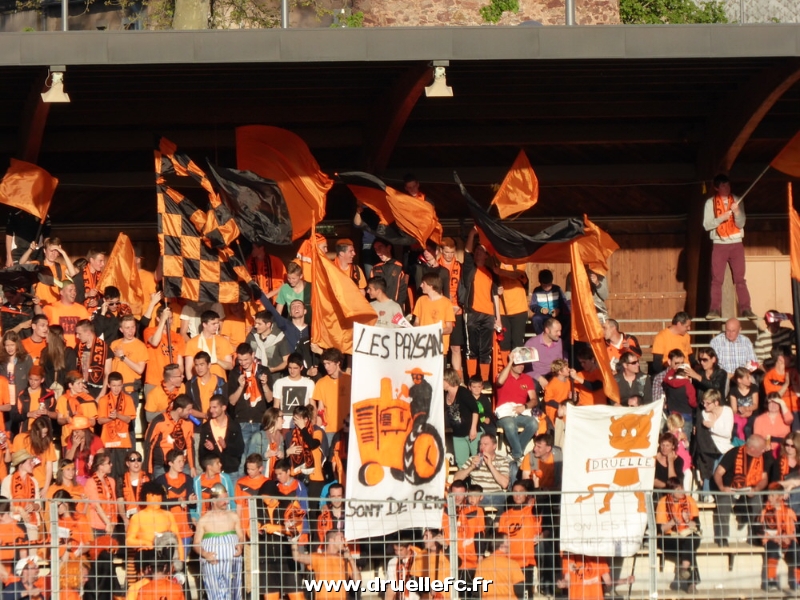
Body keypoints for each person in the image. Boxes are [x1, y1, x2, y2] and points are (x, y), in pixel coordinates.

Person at [703, 173, 755, 320]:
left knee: (740, 279)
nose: (726, 188)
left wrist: (737, 212)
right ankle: (714, 309)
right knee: (716, 279)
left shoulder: (737, 200)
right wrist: (721, 218)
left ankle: (746, 309)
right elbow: (707, 225)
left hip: (736, 242)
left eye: (728, 185)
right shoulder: (710, 203)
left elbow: (741, 223)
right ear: (716, 188)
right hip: (719, 244)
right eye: (723, 185)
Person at [713, 434, 771, 547]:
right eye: (762, 448)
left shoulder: (763, 457)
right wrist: (722, 488)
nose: (764, 450)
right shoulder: (733, 453)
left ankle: (755, 536)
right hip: (731, 489)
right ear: (752, 449)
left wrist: (756, 489)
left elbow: (764, 479)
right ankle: (722, 537)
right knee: (723, 502)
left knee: (757, 501)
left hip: (750, 489)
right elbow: (718, 473)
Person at [194, 483, 244, 600]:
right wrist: (205, 554)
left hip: (232, 560)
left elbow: (241, 536)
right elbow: (196, 543)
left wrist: (240, 545)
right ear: (213, 500)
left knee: (234, 590)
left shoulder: (233, 516)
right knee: (214, 591)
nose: (226, 502)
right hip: (212, 562)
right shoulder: (204, 520)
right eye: (223, 499)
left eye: (227, 498)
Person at [460, 229, 498, 382]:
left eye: (481, 251)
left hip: (488, 315)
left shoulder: (490, 272)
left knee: (485, 350)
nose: (477, 253)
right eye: (476, 251)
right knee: (472, 349)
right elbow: (467, 252)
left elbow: (496, 294)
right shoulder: (470, 268)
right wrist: (471, 234)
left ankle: (483, 381)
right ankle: (472, 380)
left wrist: (498, 317)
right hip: (472, 313)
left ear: (487, 255)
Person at [227, 344, 271, 470]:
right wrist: (241, 386)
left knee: (259, 459)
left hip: (260, 421)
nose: (243, 363)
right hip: (242, 422)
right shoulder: (235, 373)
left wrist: (265, 384)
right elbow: (232, 401)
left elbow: (269, 399)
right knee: (243, 460)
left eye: (246, 359)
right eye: (240, 360)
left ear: (252, 355)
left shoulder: (263, 371)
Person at [655, 478, 701, 593]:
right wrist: (672, 522)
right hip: (669, 538)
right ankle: (692, 583)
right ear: (671, 492)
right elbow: (661, 529)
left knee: (690, 540)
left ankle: (684, 568)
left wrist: (689, 522)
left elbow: (697, 524)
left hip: (686, 535)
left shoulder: (689, 500)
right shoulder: (663, 502)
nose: (682, 491)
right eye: (678, 489)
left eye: (682, 488)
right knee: (690, 549)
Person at [494, 348, 538, 463]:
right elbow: (499, 382)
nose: (521, 366)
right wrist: (509, 362)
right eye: (518, 364)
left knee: (533, 423)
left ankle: (514, 452)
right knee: (509, 425)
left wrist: (524, 406)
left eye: (523, 364)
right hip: (504, 414)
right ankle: (518, 455)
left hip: (520, 411)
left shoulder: (527, 379)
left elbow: (534, 399)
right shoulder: (503, 375)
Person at [497, 480, 541, 597]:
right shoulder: (505, 516)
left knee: (525, 596)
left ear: (527, 494)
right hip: (509, 564)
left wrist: (539, 536)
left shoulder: (532, 511)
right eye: (515, 492)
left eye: (521, 492)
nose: (518, 495)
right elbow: (500, 541)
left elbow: (543, 530)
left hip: (525, 563)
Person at [291, 529, 360, 600]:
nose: (344, 541)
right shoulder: (318, 557)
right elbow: (297, 557)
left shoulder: (344, 559)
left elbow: (358, 581)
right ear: (331, 541)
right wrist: (294, 542)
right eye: (341, 538)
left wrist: (350, 559)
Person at [126, 480, 184, 559]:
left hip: (165, 555)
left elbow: (177, 539)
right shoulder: (137, 517)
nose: (157, 499)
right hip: (145, 555)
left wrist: (181, 560)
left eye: (159, 496)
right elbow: (129, 541)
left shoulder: (168, 515)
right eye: (153, 496)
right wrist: (146, 543)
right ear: (145, 497)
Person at [758, 482, 799, 591]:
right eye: (769, 495)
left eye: (772, 495)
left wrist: (788, 537)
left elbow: (793, 529)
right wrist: (773, 537)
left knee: (797, 550)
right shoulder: (764, 511)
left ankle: (797, 580)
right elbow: (761, 530)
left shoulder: (788, 511)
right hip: (772, 539)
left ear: (780, 497)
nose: (769, 497)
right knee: (772, 549)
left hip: (786, 539)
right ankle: (771, 580)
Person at [144, 395, 196, 480]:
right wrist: (148, 469)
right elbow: (149, 445)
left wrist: (192, 466)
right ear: (179, 410)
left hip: (183, 465)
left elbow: (190, 446)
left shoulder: (188, 423)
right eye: (188, 409)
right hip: (162, 466)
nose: (191, 412)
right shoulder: (159, 421)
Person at [155, 449, 196, 553]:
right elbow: (159, 503)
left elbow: (192, 504)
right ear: (170, 463)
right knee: (169, 562)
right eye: (179, 461)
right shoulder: (160, 481)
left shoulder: (188, 479)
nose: (182, 464)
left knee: (182, 562)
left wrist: (192, 500)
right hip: (168, 528)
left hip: (185, 529)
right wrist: (177, 500)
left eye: (183, 461)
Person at [454, 433, 511, 508]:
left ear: (494, 446)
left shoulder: (502, 460)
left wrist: (490, 465)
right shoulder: (473, 459)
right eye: (481, 444)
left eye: (485, 444)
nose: (482, 447)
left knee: (506, 504)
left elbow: (504, 484)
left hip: (495, 495)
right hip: (478, 496)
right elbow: (456, 478)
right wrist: (471, 467)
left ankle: (496, 520)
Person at [97, 371, 136, 478]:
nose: (116, 388)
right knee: (109, 472)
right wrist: (110, 418)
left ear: (122, 385)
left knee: (122, 473)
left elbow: (129, 419)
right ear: (108, 385)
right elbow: (100, 420)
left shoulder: (128, 399)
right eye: (113, 385)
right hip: (108, 441)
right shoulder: (103, 400)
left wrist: (117, 415)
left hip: (122, 442)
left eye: (119, 385)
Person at [143, 302, 185, 399]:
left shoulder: (178, 337)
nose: (169, 321)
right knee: (154, 413)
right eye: (166, 319)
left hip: (172, 383)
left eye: (170, 318)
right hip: (154, 381)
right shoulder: (149, 331)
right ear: (158, 319)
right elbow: (155, 342)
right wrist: (163, 321)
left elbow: (180, 364)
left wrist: (177, 380)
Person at [198, 395, 244, 481]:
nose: (211, 410)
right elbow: (201, 454)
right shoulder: (206, 427)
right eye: (210, 407)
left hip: (231, 473)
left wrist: (226, 446)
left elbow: (240, 449)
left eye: (215, 407)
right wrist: (208, 448)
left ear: (223, 407)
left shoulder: (234, 426)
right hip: (213, 474)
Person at [310, 347, 351, 439]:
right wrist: (318, 430)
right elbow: (321, 409)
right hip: (329, 430)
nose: (326, 367)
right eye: (324, 364)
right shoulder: (321, 383)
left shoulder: (350, 380)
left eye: (329, 363)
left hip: (348, 428)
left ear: (338, 363)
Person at [442, 368, 479, 468]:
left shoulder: (462, 392)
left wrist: (473, 429)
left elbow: (475, 410)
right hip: (458, 435)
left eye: (442, 380)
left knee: (478, 462)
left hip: (471, 432)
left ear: (448, 379)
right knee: (461, 464)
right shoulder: (445, 395)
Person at [412, 271, 456, 354]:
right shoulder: (421, 300)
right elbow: (416, 322)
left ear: (431, 285)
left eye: (423, 283)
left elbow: (449, 328)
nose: (421, 285)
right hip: (423, 347)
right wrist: (416, 328)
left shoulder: (446, 303)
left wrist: (432, 331)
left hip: (439, 347)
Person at [660, 350, 697, 444]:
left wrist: (672, 369)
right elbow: (692, 401)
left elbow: (666, 378)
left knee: (672, 441)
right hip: (686, 415)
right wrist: (696, 406)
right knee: (684, 441)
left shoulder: (670, 382)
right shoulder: (688, 385)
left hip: (673, 415)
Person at [439, 237, 464, 376]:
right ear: (441, 251)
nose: (449, 255)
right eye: (446, 252)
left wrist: (460, 305)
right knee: (441, 347)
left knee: (456, 347)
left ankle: (458, 379)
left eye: (452, 252)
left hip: (457, 310)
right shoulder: (437, 266)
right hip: (441, 311)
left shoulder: (459, 266)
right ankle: (441, 377)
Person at [10, 415, 56, 492]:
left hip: (40, 483)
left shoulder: (47, 442)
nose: (44, 435)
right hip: (22, 482)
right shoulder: (20, 438)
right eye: (42, 433)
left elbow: (49, 467)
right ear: (36, 431)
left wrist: (46, 488)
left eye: (46, 433)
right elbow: (14, 460)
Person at [184, 310, 234, 379]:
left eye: (217, 323)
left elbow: (230, 366)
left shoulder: (223, 341)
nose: (216, 326)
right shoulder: (192, 343)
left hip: (219, 384)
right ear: (204, 324)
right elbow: (188, 369)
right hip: (200, 385)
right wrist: (191, 386)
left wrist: (217, 360)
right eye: (213, 324)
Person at [40, 281, 90, 349]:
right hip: (57, 350)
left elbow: (87, 330)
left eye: (75, 290)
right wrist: (36, 304)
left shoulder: (82, 309)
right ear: (61, 292)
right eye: (70, 290)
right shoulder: (51, 308)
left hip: (77, 350)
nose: (74, 293)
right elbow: (38, 318)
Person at [272, 353, 315, 430]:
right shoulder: (279, 383)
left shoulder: (309, 383)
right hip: (284, 426)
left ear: (301, 368)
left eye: (295, 368)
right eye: (290, 368)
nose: (292, 371)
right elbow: (276, 407)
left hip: (303, 426)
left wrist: (313, 424)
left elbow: (313, 407)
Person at [475, 534, 524, 600]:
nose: (510, 543)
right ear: (502, 545)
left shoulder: (482, 565)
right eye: (508, 541)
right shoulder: (512, 564)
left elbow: (477, 591)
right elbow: (520, 590)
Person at [524, 318, 567, 392]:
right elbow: (526, 367)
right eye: (556, 331)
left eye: (560, 331)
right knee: (533, 386)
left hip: (554, 374)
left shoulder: (560, 343)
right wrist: (539, 378)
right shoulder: (531, 343)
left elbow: (564, 362)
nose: (559, 334)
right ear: (547, 330)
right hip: (536, 375)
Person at [12, 365, 57, 436]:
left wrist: (47, 412)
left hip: (43, 435)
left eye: (36, 380)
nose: (32, 382)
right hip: (26, 433)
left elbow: (57, 415)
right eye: (31, 379)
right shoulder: (22, 395)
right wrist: (28, 414)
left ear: (42, 380)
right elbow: (14, 417)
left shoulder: (49, 394)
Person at [245, 311, 289, 381]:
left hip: (273, 378)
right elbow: (245, 352)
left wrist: (272, 369)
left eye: (259, 324)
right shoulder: (252, 335)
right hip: (253, 377)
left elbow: (286, 361)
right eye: (255, 323)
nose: (256, 326)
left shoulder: (280, 339)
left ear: (268, 324)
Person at [73, 319, 112, 400]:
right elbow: (75, 370)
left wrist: (101, 395)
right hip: (82, 390)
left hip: (99, 391)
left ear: (87, 332)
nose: (77, 336)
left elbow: (108, 373)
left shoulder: (104, 347)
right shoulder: (79, 347)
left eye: (79, 334)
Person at [63, 417, 104, 485]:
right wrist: (74, 446)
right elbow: (67, 461)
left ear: (84, 431)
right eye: (73, 432)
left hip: (91, 478)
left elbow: (101, 461)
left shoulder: (96, 440)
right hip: (75, 478)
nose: (74, 434)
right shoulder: (72, 439)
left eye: (77, 432)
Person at [40, 325, 76, 400]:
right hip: (48, 393)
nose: (45, 336)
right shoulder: (44, 352)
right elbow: (43, 373)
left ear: (53, 336)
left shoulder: (69, 352)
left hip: (65, 393)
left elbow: (72, 375)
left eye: (47, 333)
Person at [529, 269, 569, 336]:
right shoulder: (537, 291)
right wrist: (541, 310)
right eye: (545, 285)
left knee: (567, 318)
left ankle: (562, 339)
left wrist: (559, 310)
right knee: (536, 318)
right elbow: (533, 305)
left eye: (549, 285)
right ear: (540, 283)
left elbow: (564, 302)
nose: (547, 287)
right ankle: (541, 337)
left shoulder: (557, 289)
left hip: (557, 314)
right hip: (543, 315)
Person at [370, 238, 408, 308]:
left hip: (395, 307)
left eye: (380, 247)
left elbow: (403, 291)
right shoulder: (375, 268)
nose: (378, 251)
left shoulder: (399, 267)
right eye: (376, 249)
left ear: (389, 247)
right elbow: (371, 290)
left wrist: (398, 307)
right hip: (379, 308)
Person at [754, 393, 793, 457]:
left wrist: (782, 403)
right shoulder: (759, 419)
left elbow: (789, 419)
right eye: (770, 402)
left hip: (783, 450)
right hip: (766, 451)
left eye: (776, 402)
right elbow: (757, 438)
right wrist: (765, 445)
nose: (773, 405)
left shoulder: (785, 417)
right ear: (767, 404)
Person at [0, 331, 33, 406]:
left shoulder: (26, 359)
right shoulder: (1, 361)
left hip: (21, 399)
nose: (10, 348)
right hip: (5, 400)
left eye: (12, 345)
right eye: (7, 345)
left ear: (17, 345)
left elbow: (30, 378)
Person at [119, 449, 149, 527]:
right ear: (127, 463)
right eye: (132, 460)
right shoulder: (121, 479)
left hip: (145, 518)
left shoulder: (149, 477)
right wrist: (125, 519)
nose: (136, 463)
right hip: (129, 519)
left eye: (139, 460)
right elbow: (120, 502)